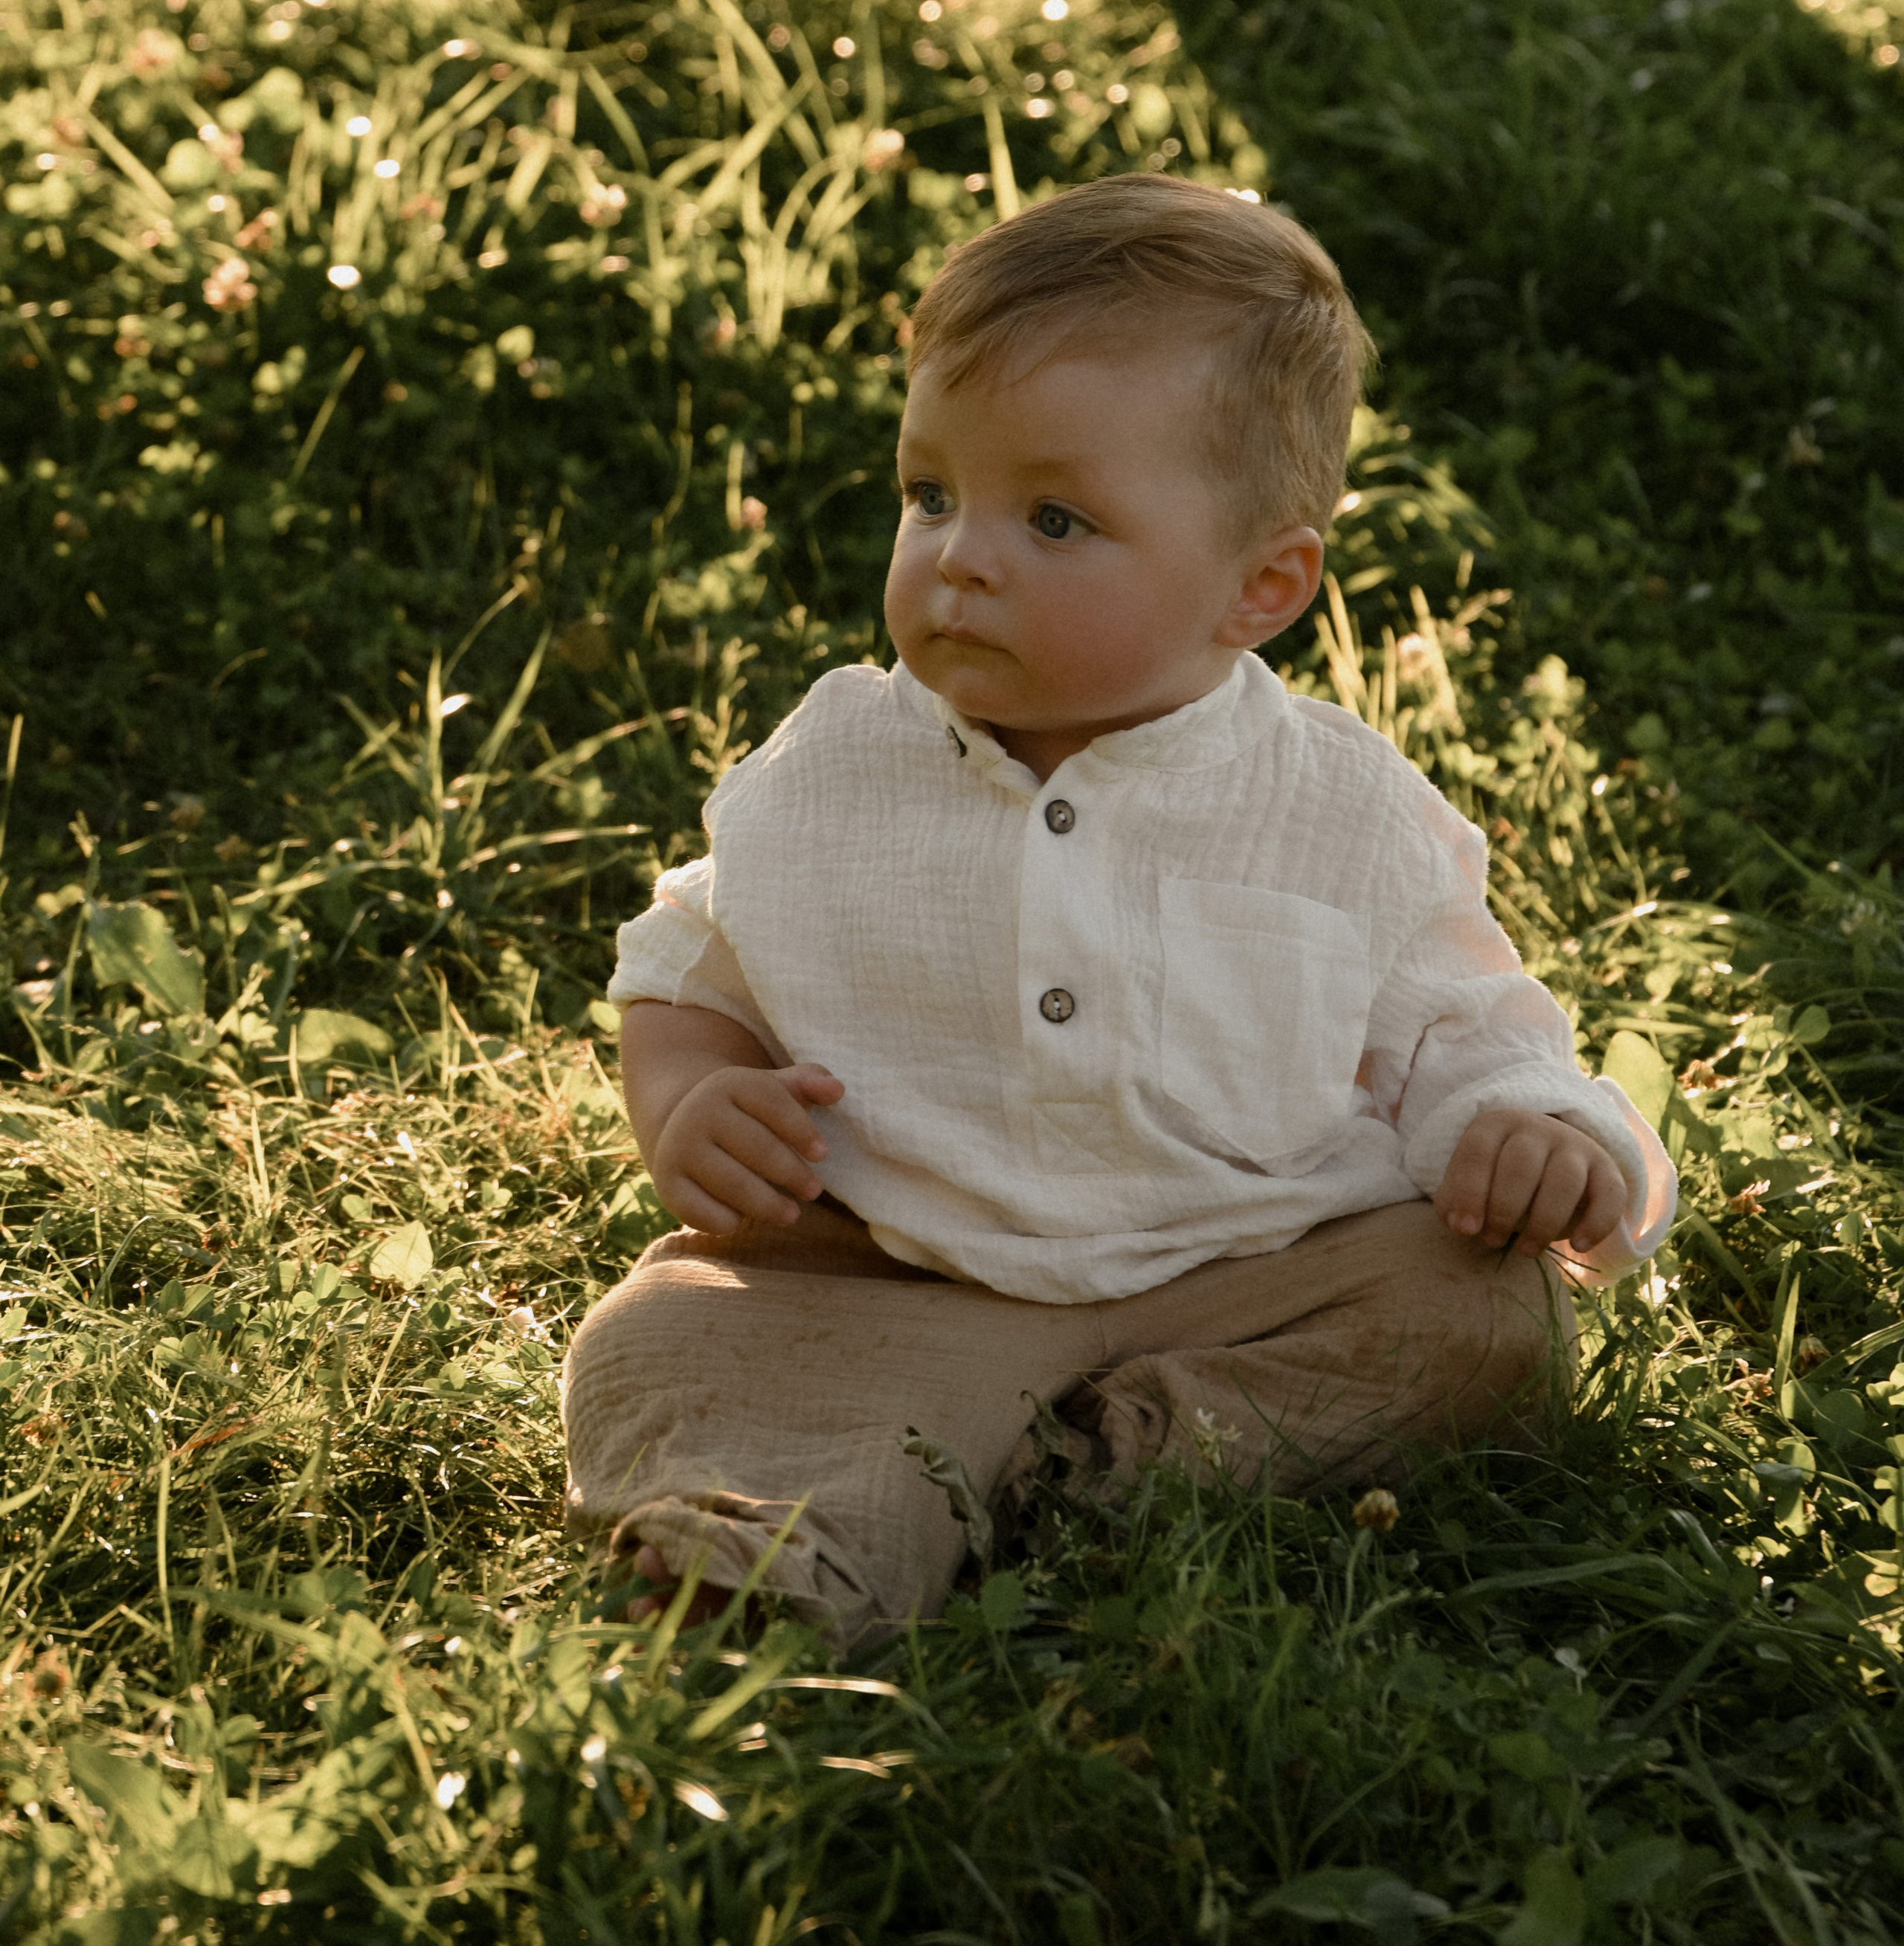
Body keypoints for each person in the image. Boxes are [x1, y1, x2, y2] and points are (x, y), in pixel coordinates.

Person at [562, 177, 1675, 1649]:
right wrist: (691, 1094)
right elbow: (691, 956)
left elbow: (1465, 1030)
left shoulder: (1336, 812)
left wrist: (1524, 1132)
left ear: (1257, 585)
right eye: (929, 496)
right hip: (900, 1272)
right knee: (669, 1339)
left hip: (1255, 1271)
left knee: (1483, 1319)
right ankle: (786, 1551)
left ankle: (1127, 1459)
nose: (962, 554)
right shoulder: (833, 770)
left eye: (1054, 518)